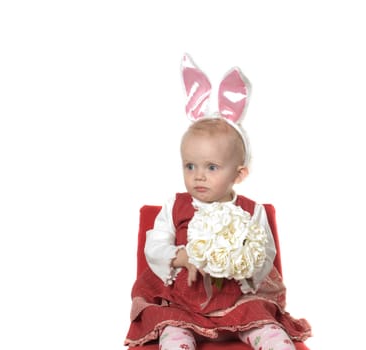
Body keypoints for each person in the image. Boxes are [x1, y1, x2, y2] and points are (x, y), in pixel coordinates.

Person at [124, 54, 311, 350]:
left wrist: (241, 262)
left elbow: (265, 256)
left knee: (272, 334)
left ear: (239, 173)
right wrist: (180, 256)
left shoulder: (252, 211)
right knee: (173, 336)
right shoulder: (175, 206)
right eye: (190, 166)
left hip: (238, 303)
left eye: (211, 167)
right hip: (184, 306)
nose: (198, 176)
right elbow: (154, 247)